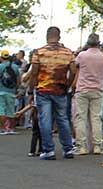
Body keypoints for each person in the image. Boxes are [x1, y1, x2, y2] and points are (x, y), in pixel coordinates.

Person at [29, 26, 76, 160]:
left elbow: (34, 73)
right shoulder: (68, 53)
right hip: (60, 89)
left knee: (45, 120)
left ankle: (48, 150)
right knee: (63, 119)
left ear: (47, 36)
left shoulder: (39, 52)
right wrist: (68, 83)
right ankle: (68, 149)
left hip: (43, 90)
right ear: (59, 37)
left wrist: (31, 90)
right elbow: (73, 71)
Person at [73, 33, 103, 155]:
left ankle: (82, 146)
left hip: (82, 89)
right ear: (99, 43)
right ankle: (97, 146)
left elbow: (75, 65)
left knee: (81, 118)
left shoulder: (82, 55)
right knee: (96, 118)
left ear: (88, 43)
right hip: (98, 89)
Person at [0, 49, 20, 134]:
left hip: (1, 91)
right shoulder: (15, 66)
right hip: (11, 91)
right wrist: (17, 89)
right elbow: (19, 80)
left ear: (1, 57)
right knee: (11, 110)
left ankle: (3, 129)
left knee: (1, 110)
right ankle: (11, 129)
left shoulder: (0, 66)